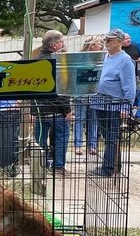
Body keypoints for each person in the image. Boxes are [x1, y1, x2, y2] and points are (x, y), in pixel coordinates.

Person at [90, 29, 136, 177]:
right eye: (106, 40)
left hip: (114, 105)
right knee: (107, 137)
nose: (106, 42)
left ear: (119, 42)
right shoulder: (105, 57)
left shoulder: (125, 60)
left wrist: (125, 107)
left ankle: (107, 169)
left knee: (112, 138)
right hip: (99, 103)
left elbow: (129, 87)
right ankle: (115, 165)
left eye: (110, 40)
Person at [32, 30, 73, 177]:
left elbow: (31, 88)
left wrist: (33, 110)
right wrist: (67, 109)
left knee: (39, 141)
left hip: (40, 111)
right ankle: (58, 166)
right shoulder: (59, 62)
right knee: (61, 138)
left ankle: (40, 167)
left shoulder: (35, 60)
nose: (64, 44)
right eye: (61, 41)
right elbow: (63, 88)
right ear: (55, 45)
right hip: (57, 110)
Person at [73, 36, 102, 155]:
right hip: (81, 92)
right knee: (79, 118)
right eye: (99, 43)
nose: (102, 46)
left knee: (93, 119)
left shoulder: (101, 57)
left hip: (95, 93)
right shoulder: (80, 57)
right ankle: (78, 145)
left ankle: (92, 146)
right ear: (92, 45)